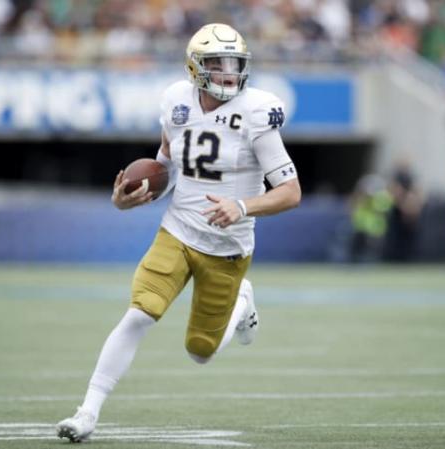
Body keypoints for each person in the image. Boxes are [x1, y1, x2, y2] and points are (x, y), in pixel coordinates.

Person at [56, 23, 301, 443]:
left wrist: (241, 206)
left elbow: (290, 192)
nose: (227, 73)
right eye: (217, 64)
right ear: (194, 68)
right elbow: (168, 164)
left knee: (200, 351)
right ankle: (87, 413)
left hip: (228, 247)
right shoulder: (175, 101)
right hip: (178, 231)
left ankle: (243, 302)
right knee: (138, 314)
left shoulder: (257, 112)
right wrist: (134, 196)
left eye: (234, 64)